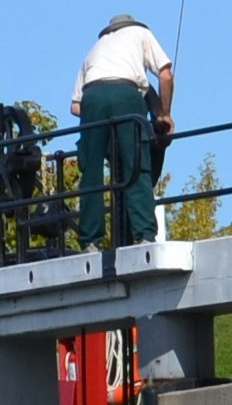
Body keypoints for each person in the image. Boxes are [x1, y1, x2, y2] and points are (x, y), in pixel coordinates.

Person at [71, 14, 177, 247]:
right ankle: (144, 235)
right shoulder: (140, 33)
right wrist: (164, 114)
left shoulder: (94, 49)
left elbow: (76, 107)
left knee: (92, 170)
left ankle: (90, 241)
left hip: (92, 97)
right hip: (126, 94)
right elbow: (165, 74)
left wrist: (105, 122)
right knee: (136, 164)